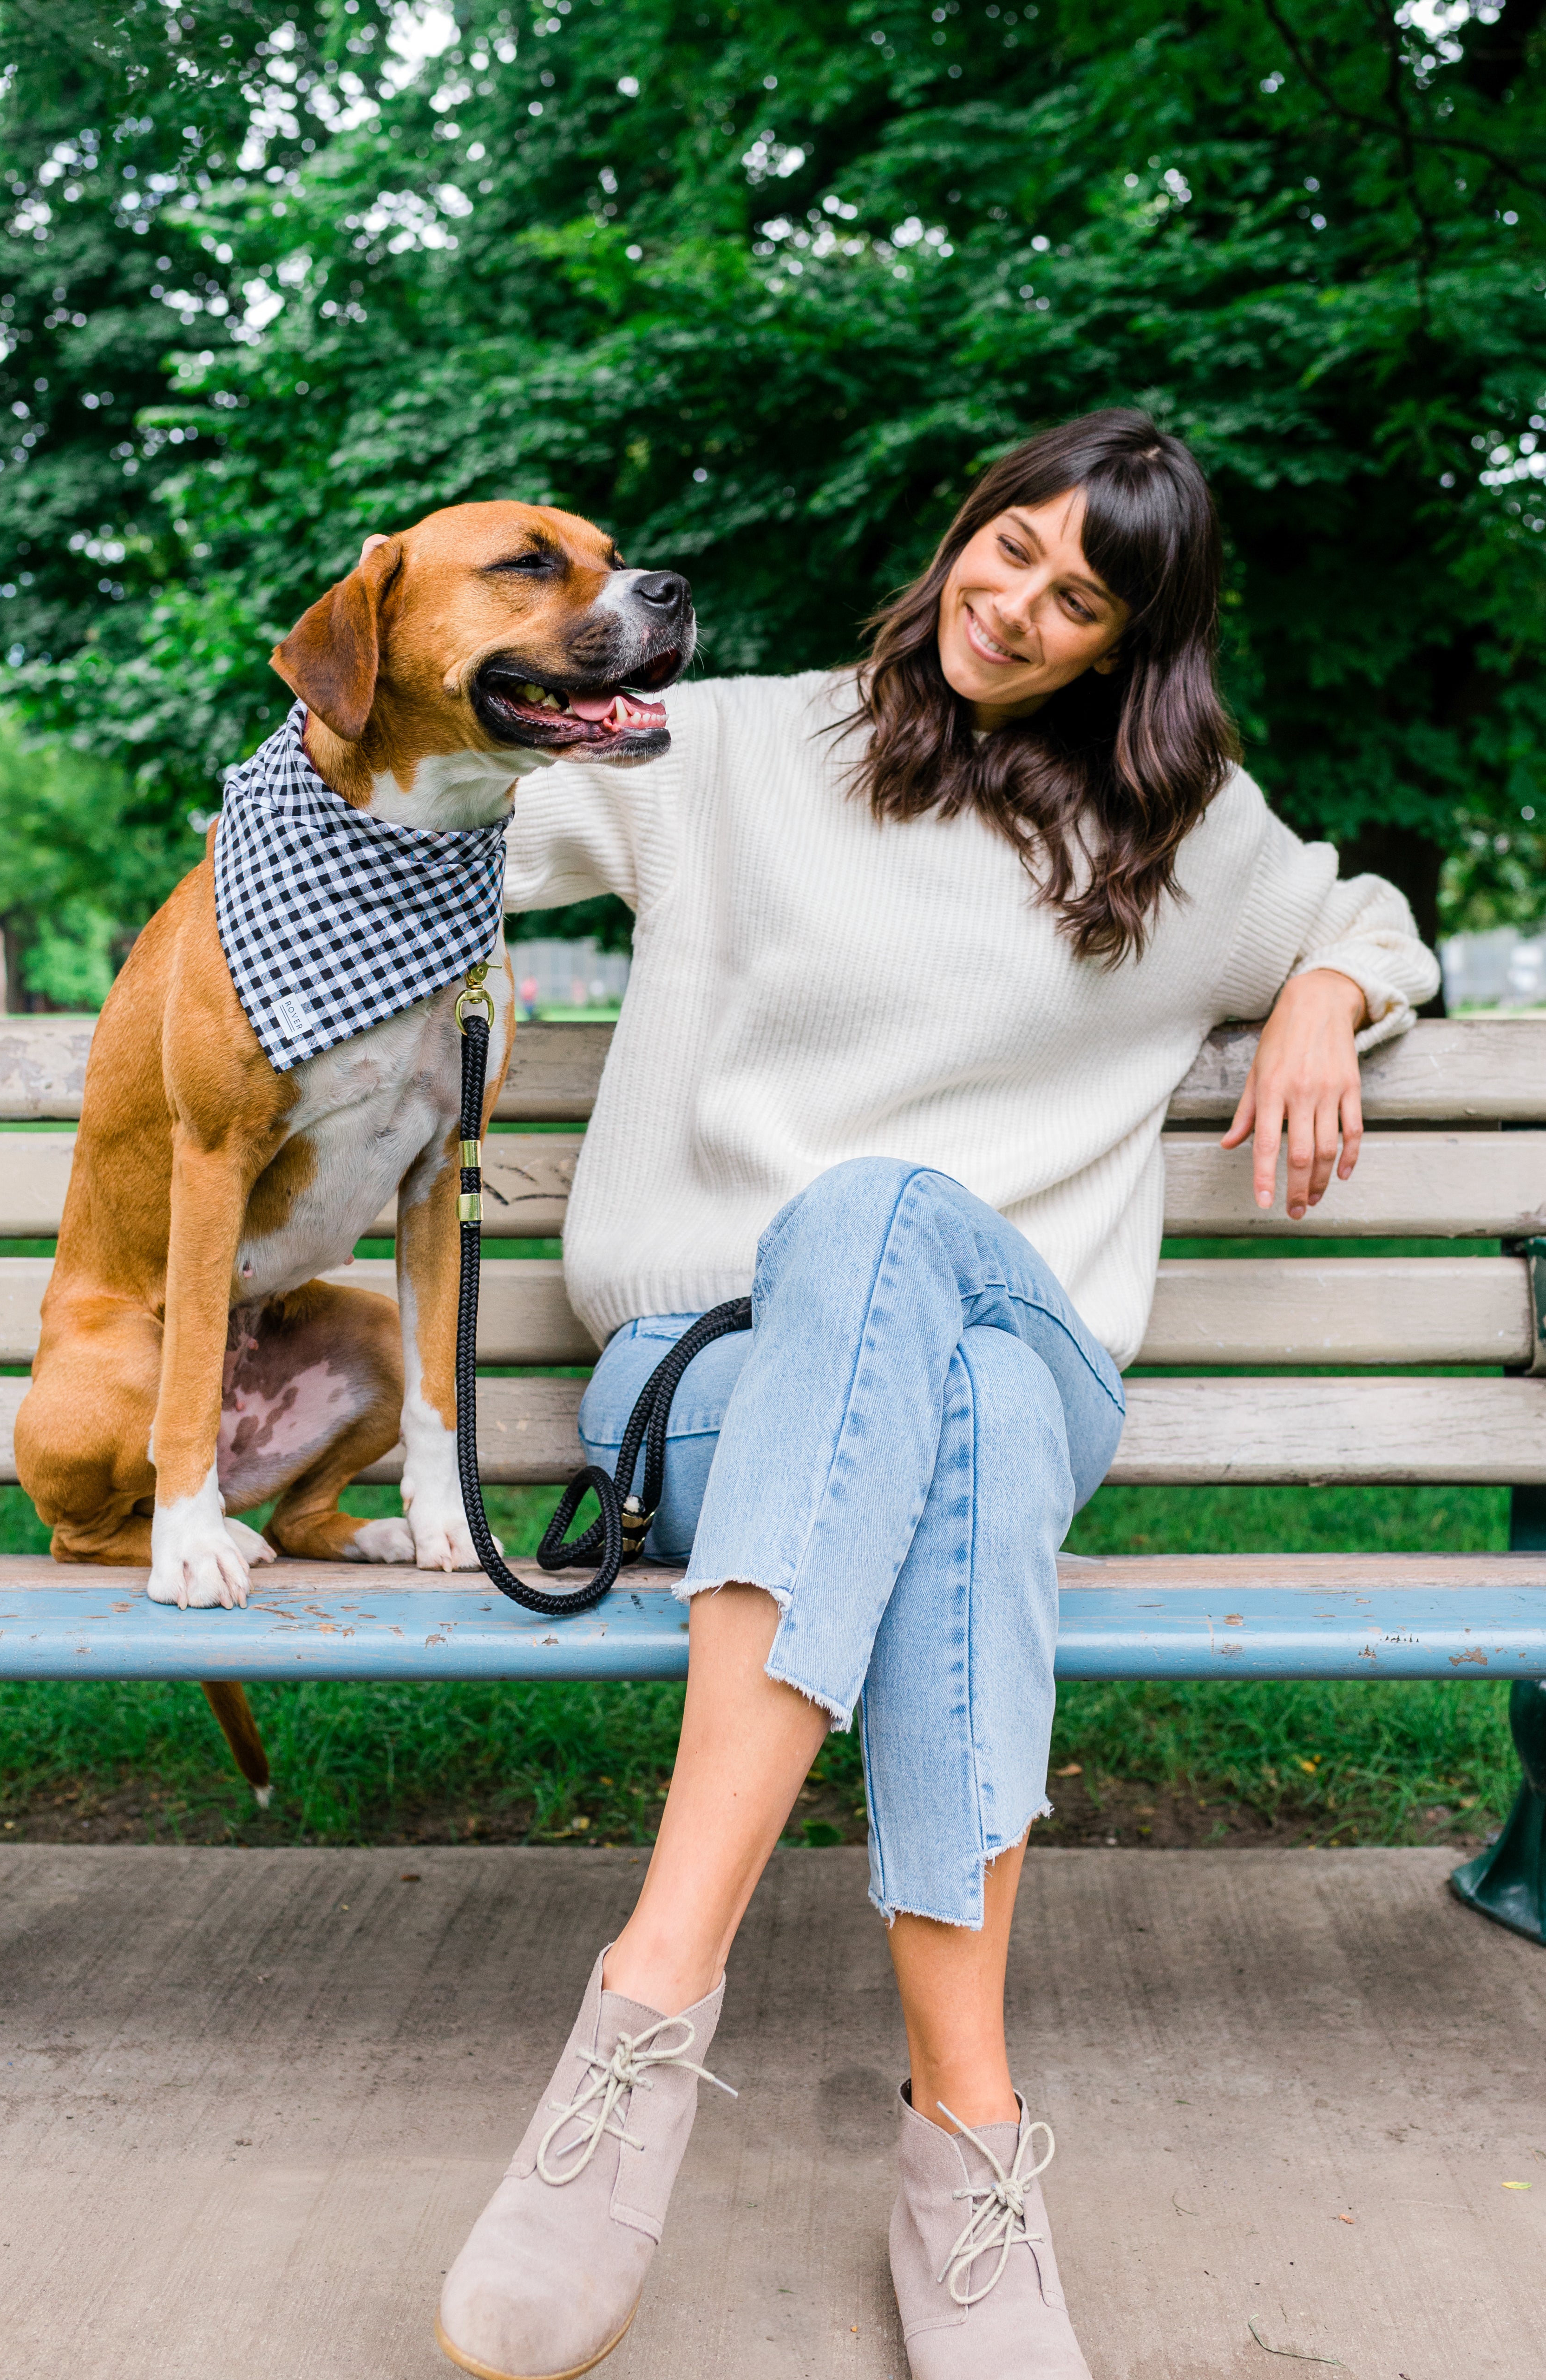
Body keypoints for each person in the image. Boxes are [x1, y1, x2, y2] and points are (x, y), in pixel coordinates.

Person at [435, 409, 1439, 2380]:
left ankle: (644, 2015)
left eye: (1081, 600)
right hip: (720, 1379)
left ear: (1127, 646)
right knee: (945, 1408)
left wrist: (1323, 988)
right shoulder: (725, 749)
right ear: (966, 525)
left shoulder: (1177, 833)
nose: (1021, 605)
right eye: (1013, 549)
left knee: (912, 1253)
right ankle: (971, 2157)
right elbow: (431, 785)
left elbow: (1363, 908)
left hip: (1021, 1342)